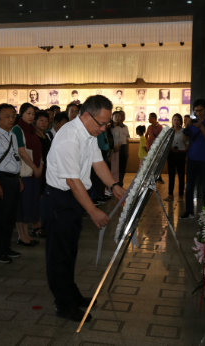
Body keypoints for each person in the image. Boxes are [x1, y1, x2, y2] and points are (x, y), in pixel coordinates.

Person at [42, 95, 126, 322]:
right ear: (86, 116)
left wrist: (114, 185)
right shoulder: (69, 137)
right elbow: (72, 181)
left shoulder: (89, 133)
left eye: (107, 123)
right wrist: (93, 211)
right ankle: (63, 304)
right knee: (59, 255)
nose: (104, 128)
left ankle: (71, 293)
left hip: (73, 198)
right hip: (60, 199)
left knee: (70, 251)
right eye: (102, 123)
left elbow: (97, 163)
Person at [0, 104, 23, 264]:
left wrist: (19, 178)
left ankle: (6, 247)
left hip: (13, 179)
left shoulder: (13, 135)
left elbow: (15, 157)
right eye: (7, 116)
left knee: (10, 216)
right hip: (0, 179)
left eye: (13, 116)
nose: (11, 119)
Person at [12, 103, 43, 247]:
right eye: (28, 113)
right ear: (21, 113)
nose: (31, 117)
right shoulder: (18, 129)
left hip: (34, 172)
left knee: (29, 204)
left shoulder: (32, 129)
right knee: (22, 205)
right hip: (25, 172)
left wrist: (40, 165)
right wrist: (34, 167)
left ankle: (26, 235)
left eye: (33, 114)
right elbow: (21, 151)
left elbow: (38, 149)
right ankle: (21, 236)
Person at [181, 99, 205, 219]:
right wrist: (186, 126)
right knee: (189, 186)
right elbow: (184, 139)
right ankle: (189, 211)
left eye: (200, 110)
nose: (198, 113)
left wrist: (201, 127)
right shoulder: (192, 123)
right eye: (196, 111)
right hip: (191, 158)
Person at [31, 111, 52, 237]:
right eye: (41, 120)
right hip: (37, 170)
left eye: (46, 121)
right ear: (35, 121)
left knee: (43, 199)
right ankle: (35, 226)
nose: (44, 123)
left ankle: (41, 223)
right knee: (36, 199)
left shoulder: (46, 135)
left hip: (47, 171)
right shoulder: (34, 135)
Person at [164, 114, 188, 202]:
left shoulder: (184, 131)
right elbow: (166, 143)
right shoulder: (169, 131)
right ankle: (170, 195)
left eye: (178, 120)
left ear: (181, 122)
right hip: (171, 155)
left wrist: (185, 152)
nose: (176, 121)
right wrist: (170, 148)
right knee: (171, 175)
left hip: (181, 154)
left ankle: (181, 196)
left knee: (181, 176)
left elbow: (187, 143)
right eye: (174, 119)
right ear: (172, 121)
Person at [111, 111, 130, 187]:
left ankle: (120, 183)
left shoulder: (125, 127)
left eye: (123, 115)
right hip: (115, 148)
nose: (121, 117)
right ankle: (114, 184)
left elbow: (127, 139)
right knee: (115, 168)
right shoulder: (111, 127)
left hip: (123, 148)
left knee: (122, 167)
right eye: (119, 116)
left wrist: (127, 151)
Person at [145, 113, 164, 184]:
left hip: (157, 148)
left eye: (150, 117)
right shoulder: (149, 127)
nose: (148, 119)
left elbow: (162, 138)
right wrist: (146, 143)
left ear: (154, 118)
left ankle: (159, 177)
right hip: (149, 148)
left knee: (157, 163)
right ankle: (152, 178)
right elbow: (146, 135)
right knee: (151, 163)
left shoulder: (160, 127)